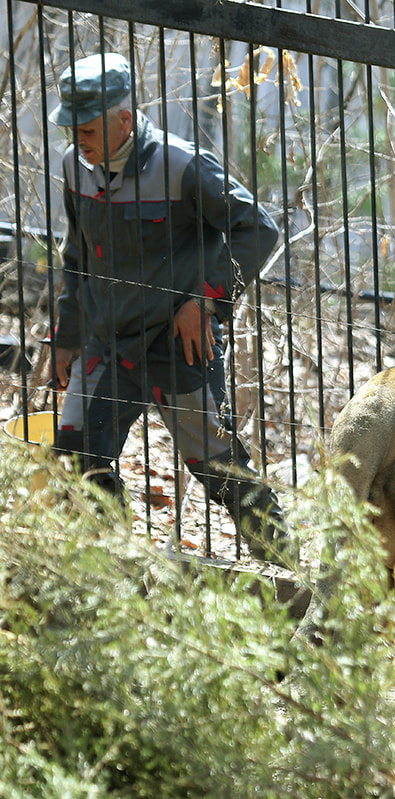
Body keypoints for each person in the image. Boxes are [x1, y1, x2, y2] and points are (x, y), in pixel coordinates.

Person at [49, 52, 291, 564]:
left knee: (220, 470)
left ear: (124, 119)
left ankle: (290, 576)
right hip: (106, 345)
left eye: (87, 129)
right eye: (72, 129)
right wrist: (67, 335)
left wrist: (207, 300)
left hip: (177, 347)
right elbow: (75, 258)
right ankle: (116, 579)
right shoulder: (75, 166)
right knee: (75, 458)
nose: (78, 141)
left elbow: (260, 230)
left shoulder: (182, 166)